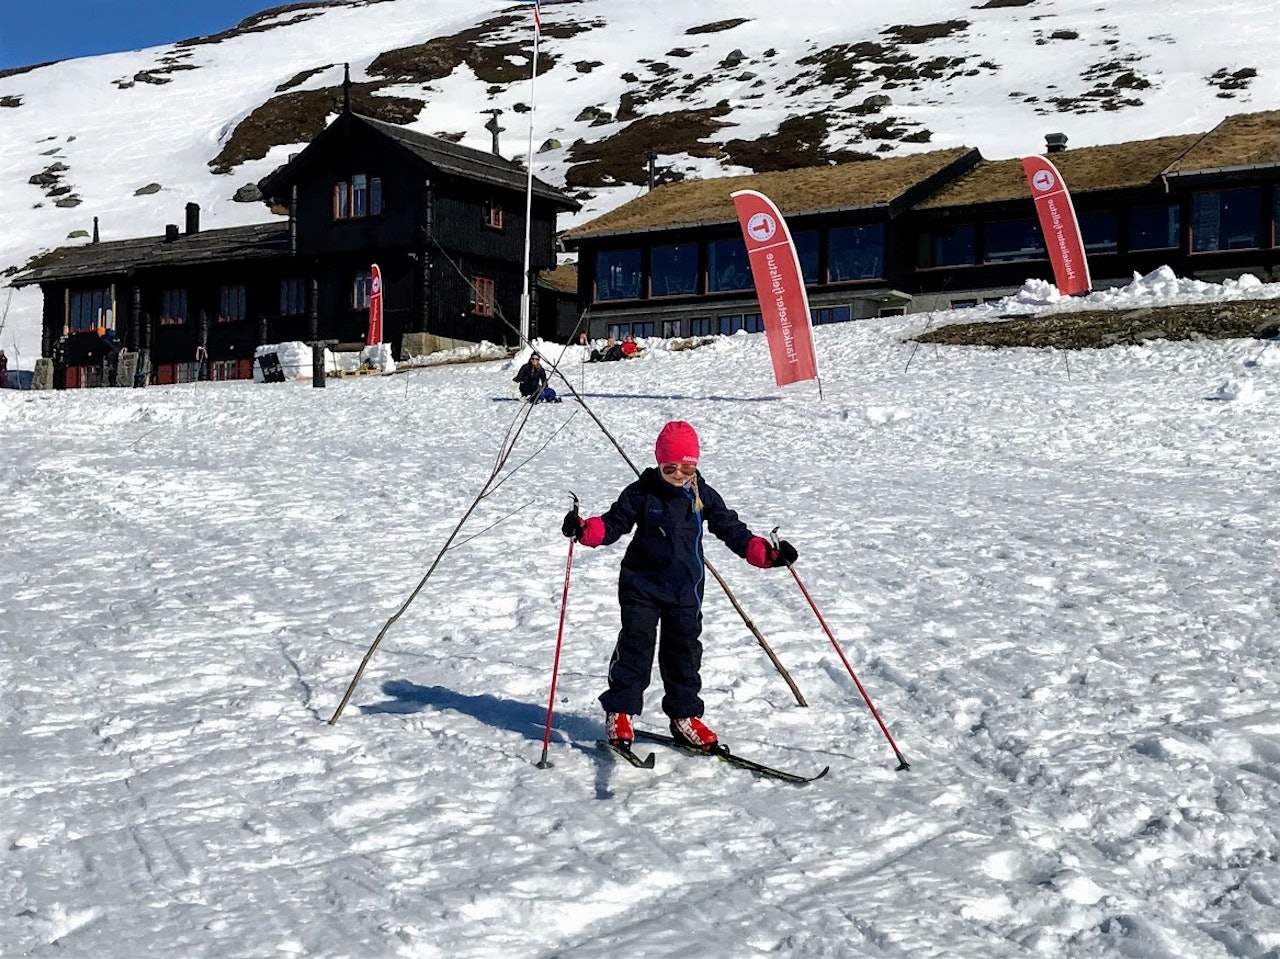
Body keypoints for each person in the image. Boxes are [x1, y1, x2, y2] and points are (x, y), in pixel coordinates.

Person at [561, 421, 797, 751]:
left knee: (684, 653)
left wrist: (767, 555)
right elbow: (613, 523)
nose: (678, 474)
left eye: (687, 466)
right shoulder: (642, 492)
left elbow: (733, 530)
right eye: (670, 467)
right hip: (641, 586)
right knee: (636, 646)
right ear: (659, 463)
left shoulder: (702, 494)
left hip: (686, 589)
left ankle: (684, 717)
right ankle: (621, 711)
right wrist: (584, 529)